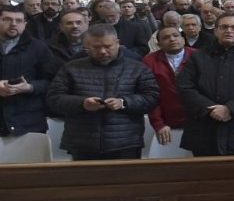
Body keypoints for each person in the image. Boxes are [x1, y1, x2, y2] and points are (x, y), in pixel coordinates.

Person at [46, 24, 160, 160]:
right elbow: (54, 98)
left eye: (108, 46)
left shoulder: (137, 68)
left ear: (117, 43)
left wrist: (124, 102)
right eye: (96, 47)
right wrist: (82, 103)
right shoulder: (72, 68)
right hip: (82, 141)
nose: (102, 51)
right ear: (86, 46)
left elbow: (152, 97)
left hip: (125, 141)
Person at [176, 14, 234, 157]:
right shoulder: (199, 57)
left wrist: (230, 109)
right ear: (215, 31)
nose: (229, 31)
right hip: (203, 130)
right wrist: (210, 109)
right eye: (224, 27)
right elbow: (184, 87)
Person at [0, 2, 56, 140]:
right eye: (7, 19)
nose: (13, 24)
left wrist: (30, 87)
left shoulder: (38, 48)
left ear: (25, 24)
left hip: (28, 121)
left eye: (19, 20)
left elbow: (53, 81)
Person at [143, 25, 192, 146]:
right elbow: (150, 95)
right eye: (166, 37)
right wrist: (158, 123)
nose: (172, 39)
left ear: (183, 39)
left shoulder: (198, 56)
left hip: (198, 121)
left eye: (175, 35)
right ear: (159, 44)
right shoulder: (149, 61)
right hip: (167, 122)